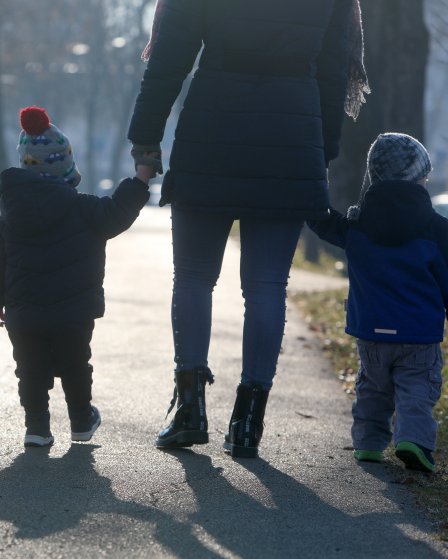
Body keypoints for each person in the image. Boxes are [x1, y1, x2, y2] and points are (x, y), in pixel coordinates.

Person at [127, 0, 368, 457]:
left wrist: (146, 137)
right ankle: (247, 422)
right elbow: (334, 67)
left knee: (195, 277)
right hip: (292, 131)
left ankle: (190, 409)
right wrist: (322, 147)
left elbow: (171, 54)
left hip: (211, 125)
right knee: (266, 287)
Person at [0, 106, 154, 448]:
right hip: (74, 311)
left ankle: (37, 427)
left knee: (30, 369)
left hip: (24, 312)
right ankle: (81, 419)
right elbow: (118, 211)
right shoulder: (84, 209)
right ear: (67, 166)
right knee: (76, 364)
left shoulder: (9, 218)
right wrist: (141, 178)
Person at [308, 133, 444, 473]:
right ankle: (413, 440)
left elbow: (321, 220)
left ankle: (368, 445)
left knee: (373, 386)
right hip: (419, 334)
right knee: (416, 390)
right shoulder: (437, 229)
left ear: (375, 173)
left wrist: (311, 183)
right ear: (421, 177)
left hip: (371, 330)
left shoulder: (358, 223)